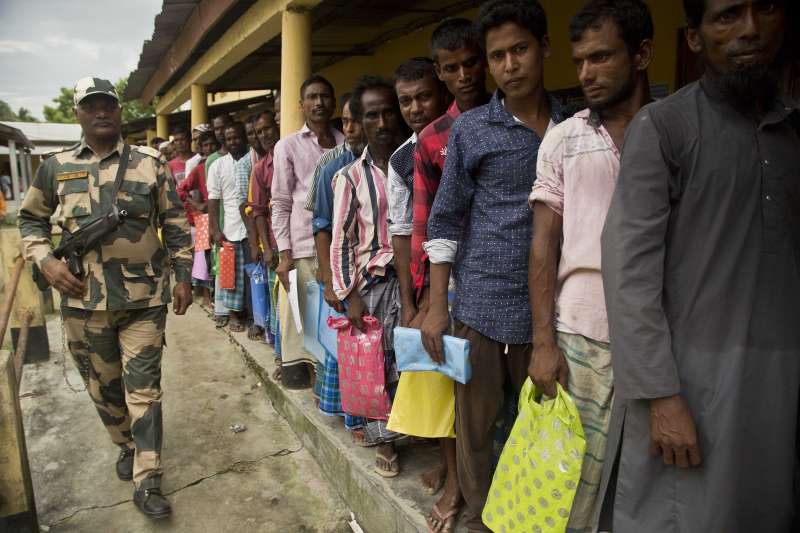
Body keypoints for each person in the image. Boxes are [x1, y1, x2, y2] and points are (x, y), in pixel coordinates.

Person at [600, 1, 800, 531]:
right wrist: (661, 397)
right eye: (728, 16)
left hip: (778, 379)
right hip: (689, 387)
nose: (750, 30)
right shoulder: (663, 128)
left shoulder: (791, 131)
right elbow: (629, 277)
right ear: (693, 38)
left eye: (764, 10)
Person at [18, 76, 193, 518]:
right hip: (81, 303)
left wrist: (184, 276)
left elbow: (176, 224)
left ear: (119, 112)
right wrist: (47, 262)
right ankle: (124, 443)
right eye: (91, 106)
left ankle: (148, 478)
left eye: (108, 105)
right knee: (103, 388)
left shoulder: (151, 164)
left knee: (144, 390)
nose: (101, 112)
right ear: (77, 113)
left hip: (143, 300)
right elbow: (31, 222)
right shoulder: (54, 167)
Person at [421, 2, 565, 530]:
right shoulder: (473, 130)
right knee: (475, 428)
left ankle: (529, 517)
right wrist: (439, 307)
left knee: (538, 426)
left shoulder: (573, 125)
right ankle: (482, 518)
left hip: (549, 312)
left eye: (520, 49)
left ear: (544, 47)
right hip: (480, 306)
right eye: (498, 55)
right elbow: (445, 219)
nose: (509, 65)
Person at [527, 1, 653, 530]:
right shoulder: (564, 137)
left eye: (600, 58)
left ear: (642, 53)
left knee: (644, 487)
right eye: (580, 60)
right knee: (566, 489)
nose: (585, 73)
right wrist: (543, 344)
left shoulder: (674, 132)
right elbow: (542, 247)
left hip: (658, 342)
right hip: (579, 337)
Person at [385, 56, 458, 533]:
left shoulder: (464, 135)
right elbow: (400, 230)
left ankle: (461, 476)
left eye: (423, 97)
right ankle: (451, 472)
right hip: (429, 289)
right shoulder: (400, 157)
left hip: (475, 283)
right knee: (440, 388)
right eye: (405, 100)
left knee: (468, 391)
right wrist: (412, 305)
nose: (414, 108)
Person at [330, 75, 408, 479]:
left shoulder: (414, 162)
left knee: (409, 361)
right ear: (360, 122)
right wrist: (349, 296)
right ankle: (386, 441)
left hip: (413, 282)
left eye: (387, 112)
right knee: (378, 365)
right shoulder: (349, 179)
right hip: (374, 286)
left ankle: (414, 428)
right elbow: (341, 242)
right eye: (371, 115)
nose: (382, 122)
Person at [271, 75, 344, 389]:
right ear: (301, 105)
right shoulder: (287, 146)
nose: (319, 103)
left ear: (333, 101)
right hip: (302, 246)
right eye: (312, 97)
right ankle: (311, 380)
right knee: (305, 319)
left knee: (334, 317)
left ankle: (331, 385)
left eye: (325, 96)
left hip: (341, 245)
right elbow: (282, 201)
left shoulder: (346, 142)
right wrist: (284, 254)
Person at [411, 18, 490, 303]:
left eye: (469, 64)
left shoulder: (512, 120)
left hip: (509, 264)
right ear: (439, 72)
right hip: (455, 273)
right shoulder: (432, 138)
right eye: (451, 68)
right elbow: (424, 219)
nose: (463, 75)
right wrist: (425, 292)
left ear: (484, 61)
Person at [306, 92, 368, 435]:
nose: (354, 128)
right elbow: (321, 227)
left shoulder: (388, 160)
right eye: (347, 122)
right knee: (347, 346)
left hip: (376, 269)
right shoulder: (331, 165)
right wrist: (330, 280)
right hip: (344, 270)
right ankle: (355, 417)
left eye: (359, 120)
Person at [207, 122, 251, 333]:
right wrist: (214, 228)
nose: (233, 142)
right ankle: (232, 314)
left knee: (250, 277)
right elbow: (213, 200)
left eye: (237, 137)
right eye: (229, 138)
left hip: (252, 229)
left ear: (244, 137)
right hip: (230, 228)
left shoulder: (253, 159)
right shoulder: (218, 165)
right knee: (229, 275)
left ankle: (251, 315)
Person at [249, 110, 281, 348]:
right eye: (259, 132)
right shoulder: (260, 169)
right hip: (275, 243)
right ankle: (282, 357)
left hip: (301, 242)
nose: (264, 135)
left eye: (267, 128)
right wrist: (266, 248)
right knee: (278, 302)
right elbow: (258, 211)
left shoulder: (292, 155)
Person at [178, 129, 219, 307]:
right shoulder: (199, 169)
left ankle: (219, 297)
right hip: (203, 219)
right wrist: (196, 205)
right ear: (201, 148)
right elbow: (181, 190)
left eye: (212, 144)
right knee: (204, 259)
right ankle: (206, 296)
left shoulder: (221, 162)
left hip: (220, 216)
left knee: (221, 257)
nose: (209, 148)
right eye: (205, 145)